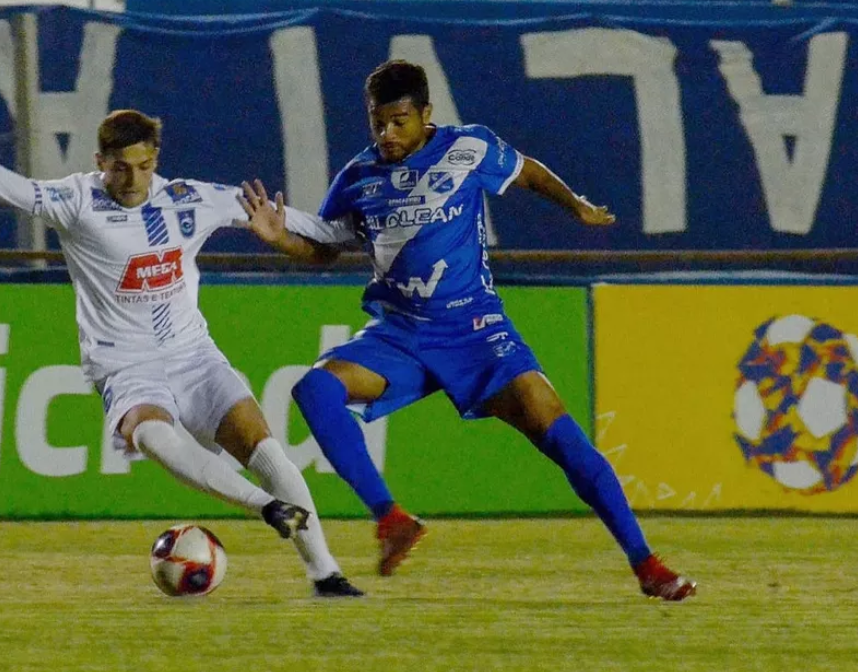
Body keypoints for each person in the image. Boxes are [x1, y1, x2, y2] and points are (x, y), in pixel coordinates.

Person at [237, 60, 696, 601]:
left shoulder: (468, 148)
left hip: (476, 329)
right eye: (378, 122)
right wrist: (280, 238)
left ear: (426, 115)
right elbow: (325, 249)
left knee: (560, 435)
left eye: (400, 121)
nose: (387, 134)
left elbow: (527, 171)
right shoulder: (359, 177)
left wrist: (575, 205)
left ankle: (647, 565)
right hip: (401, 334)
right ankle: (391, 520)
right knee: (314, 387)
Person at [0, 110, 363, 597]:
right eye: (120, 167)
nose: (133, 178)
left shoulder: (187, 199)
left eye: (144, 166)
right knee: (151, 435)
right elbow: (8, 186)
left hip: (193, 355)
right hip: (125, 364)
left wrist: (346, 235)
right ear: (100, 161)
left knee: (266, 450)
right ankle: (264, 506)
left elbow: (272, 212)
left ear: (155, 159)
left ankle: (325, 574)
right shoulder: (76, 200)